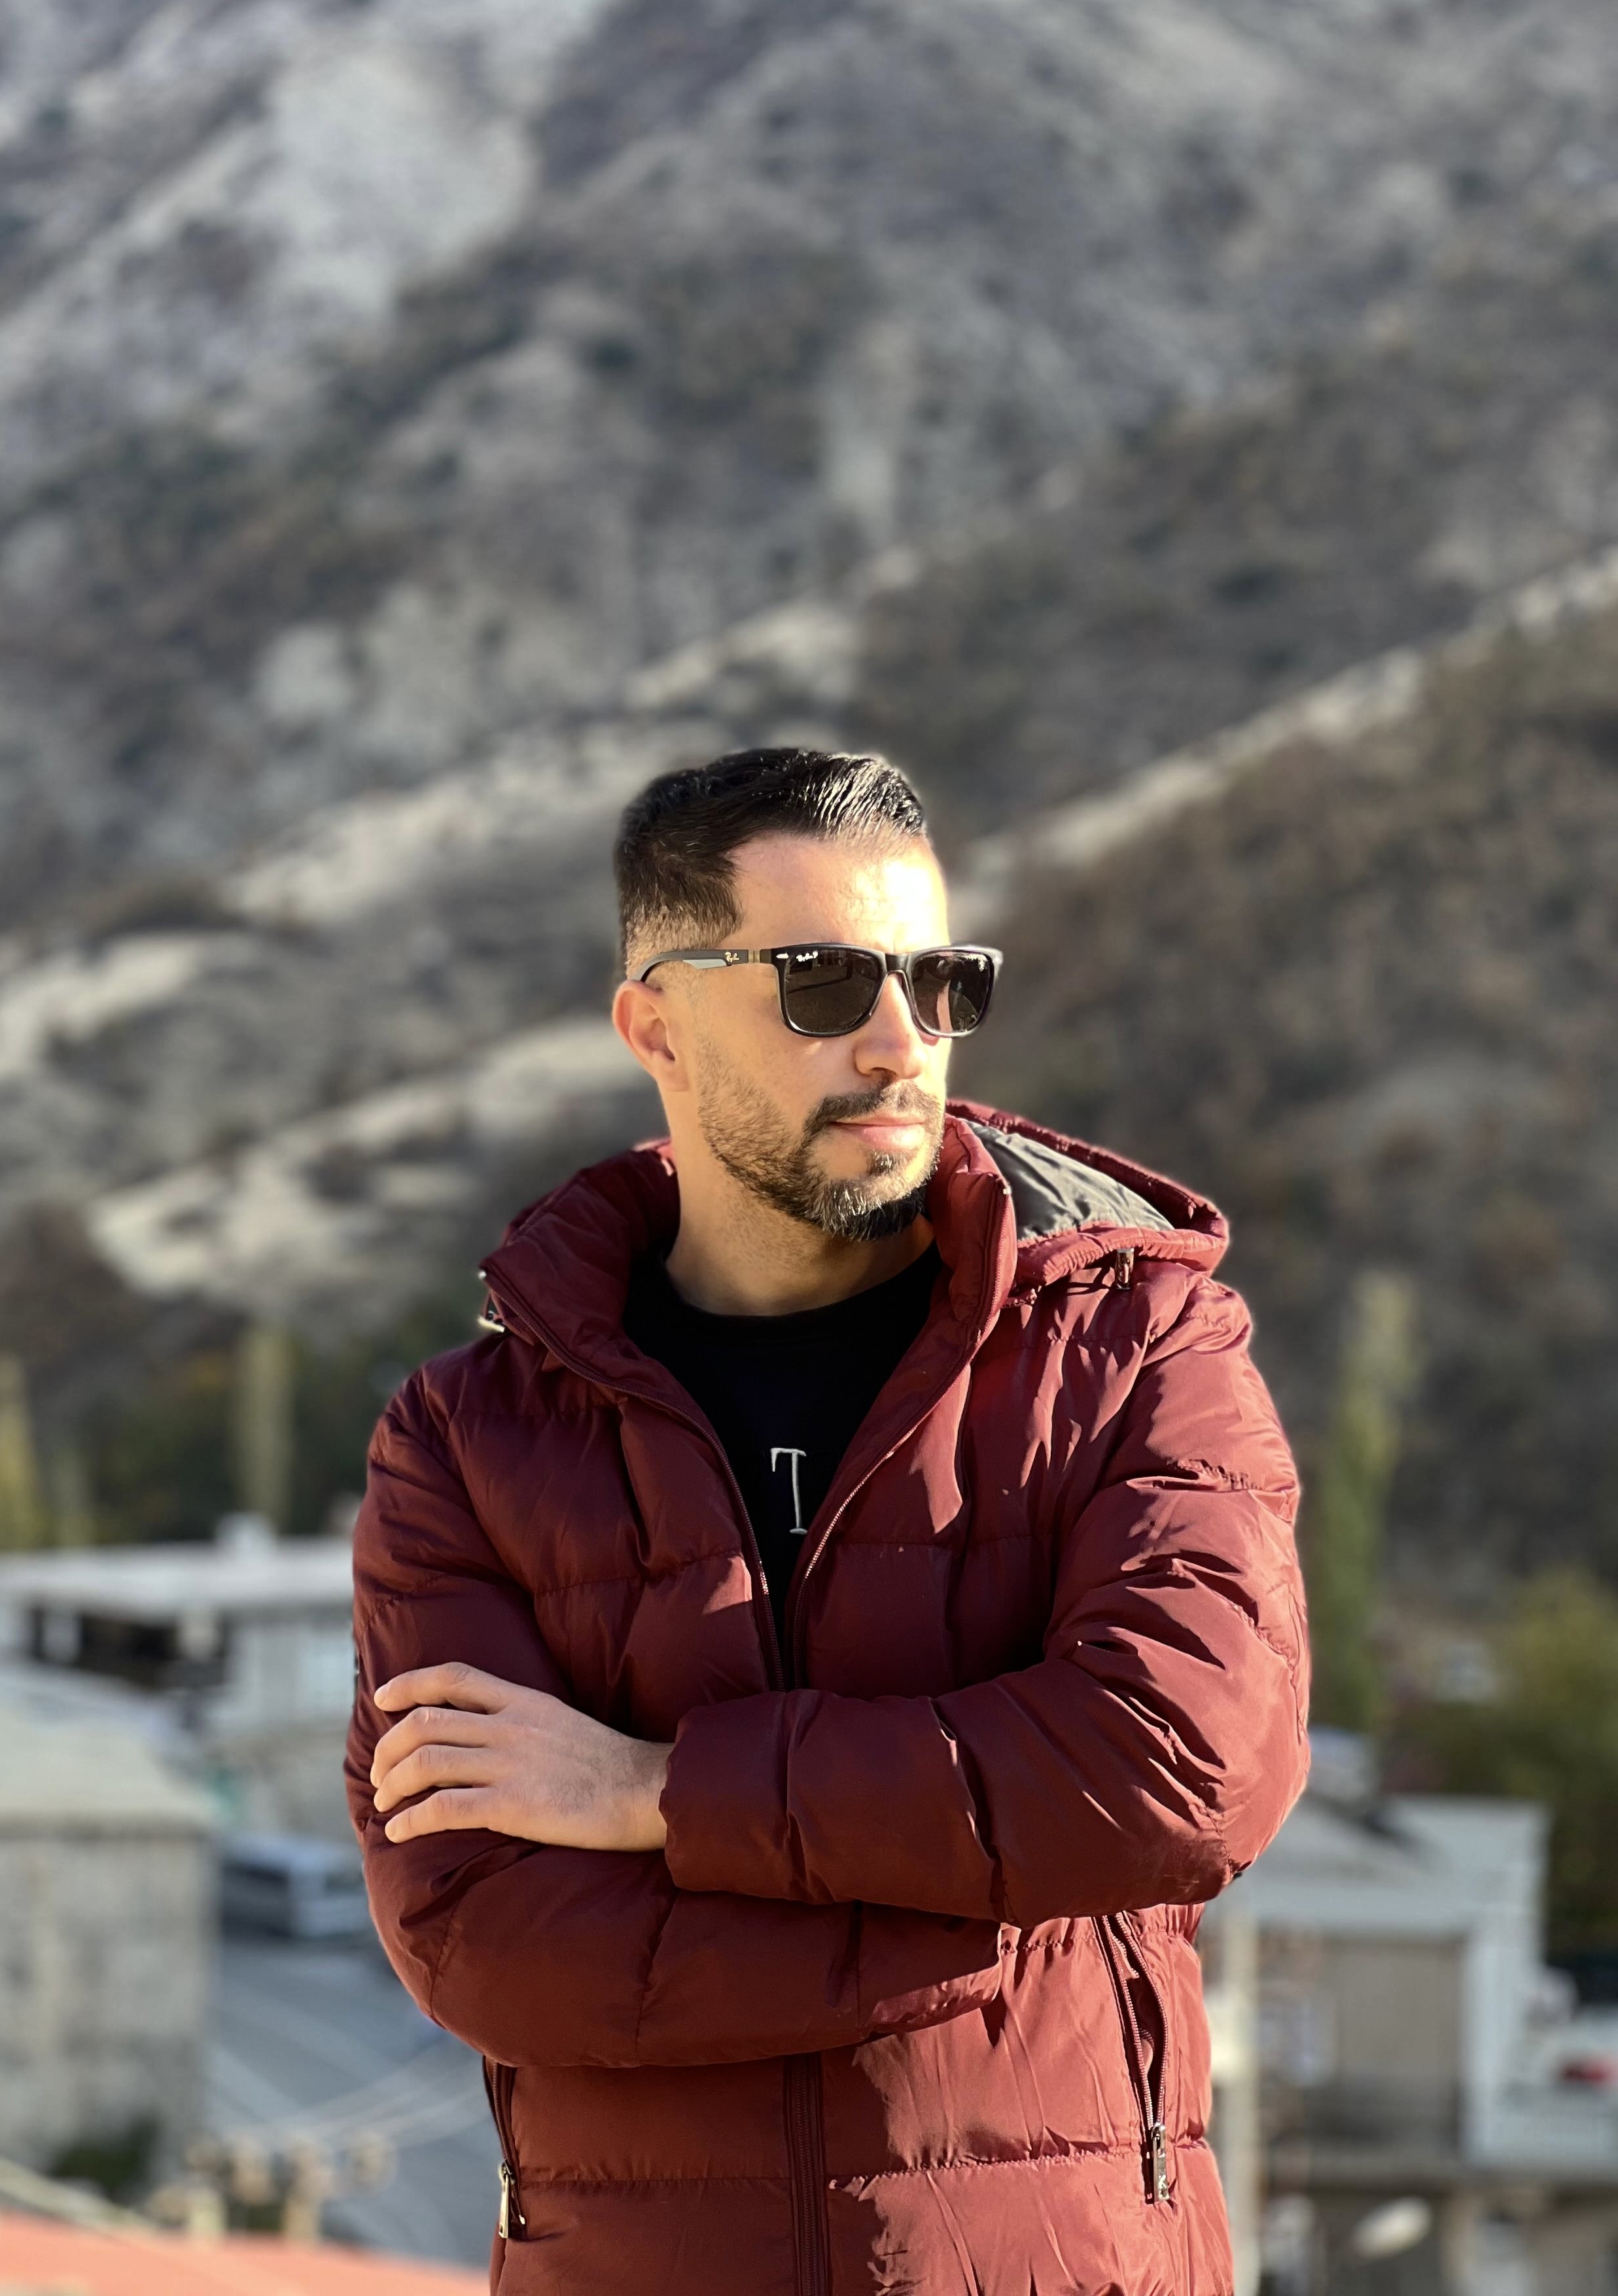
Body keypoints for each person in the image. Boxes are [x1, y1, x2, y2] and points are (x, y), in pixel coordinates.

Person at [346, 746, 1307, 2294]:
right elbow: (488, 1943)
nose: (899, 1040)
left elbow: (1177, 1777)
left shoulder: (1138, 1347)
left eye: (939, 983)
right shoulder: (470, 1440)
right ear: (654, 1026)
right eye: (822, 983)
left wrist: (660, 1794)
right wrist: (1015, 1908)